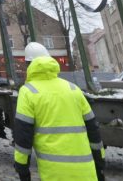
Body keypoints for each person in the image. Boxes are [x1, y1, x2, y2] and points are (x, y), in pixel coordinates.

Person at [13, 42, 105, 181]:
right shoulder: (73, 89)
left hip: (54, 174)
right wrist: (99, 165)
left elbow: (23, 138)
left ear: (28, 65)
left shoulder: (28, 92)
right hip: (86, 172)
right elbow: (93, 131)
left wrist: (22, 171)